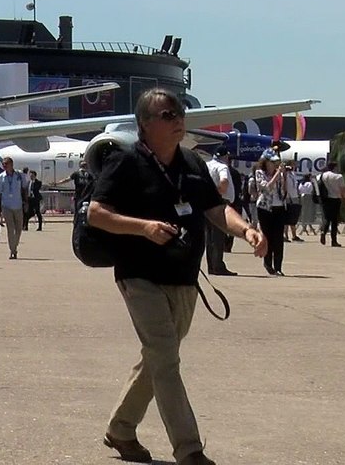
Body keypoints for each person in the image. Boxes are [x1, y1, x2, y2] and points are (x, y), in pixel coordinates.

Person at [87, 88, 266, 465]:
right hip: (139, 276)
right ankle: (190, 449)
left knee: (157, 359)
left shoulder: (190, 163)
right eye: (168, 115)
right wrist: (143, 228)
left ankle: (120, 429)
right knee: (166, 359)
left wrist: (246, 230)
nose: (178, 120)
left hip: (184, 278)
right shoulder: (125, 163)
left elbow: (216, 209)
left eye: (179, 113)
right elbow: (97, 213)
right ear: (145, 125)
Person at [203, 147, 237, 276]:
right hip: (219, 202)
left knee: (209, 236)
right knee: (218, 236)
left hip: (206, 203)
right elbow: (224, 181)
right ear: (224, 156)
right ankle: (218, 266)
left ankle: (211, 266)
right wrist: (217, 194)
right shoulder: (222, 167)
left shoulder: (206, 165)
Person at [254, 156, 291, 275]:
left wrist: (284, 176)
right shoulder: (260, 173)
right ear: (266, 162)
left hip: (279, 207)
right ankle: (268, 263)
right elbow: (267, 187)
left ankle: (278, 266)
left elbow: (284, 191)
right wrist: (277, 174)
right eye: (272, 162)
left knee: (278, 238)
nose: (275, 165)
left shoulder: (279, 174)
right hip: (265, 208)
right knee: (267, 236)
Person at [0, 157, 28, 259]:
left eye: (6, 164)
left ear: (11, 164)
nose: (4, 166)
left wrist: (26, 203)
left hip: (18, 205)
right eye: (3, 164)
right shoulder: (1, 177)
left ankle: (14, 245)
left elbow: (25, 189)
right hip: (6, 206)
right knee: (10, 229)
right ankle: (12, 250)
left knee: (19, 229)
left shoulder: (19, 175)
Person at [317, 161, 345, 247]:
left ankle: (323, 232)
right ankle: (334, 241)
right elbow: (343, 191)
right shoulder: (338, 177)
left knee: (326, 218)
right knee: (334, 221)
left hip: (325, 200)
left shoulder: (322, 176)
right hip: (335, 200)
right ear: (335, 167)